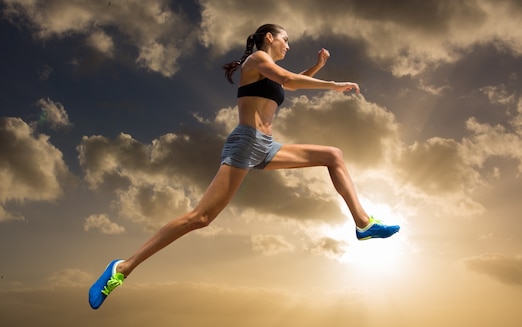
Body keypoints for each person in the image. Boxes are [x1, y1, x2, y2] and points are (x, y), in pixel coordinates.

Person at [88, 23, 400, 310]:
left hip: (265, 147)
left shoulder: (269, 69)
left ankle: (363, 224)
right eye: (285, 40)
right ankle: (122, 268)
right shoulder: (256, 62)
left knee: (333, 155)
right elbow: (289, 80)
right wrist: (332, 84)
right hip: (246, 143)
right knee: (201, 217)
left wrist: (317, 67)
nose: (288, 46)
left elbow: (287, 85)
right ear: (269, 38)